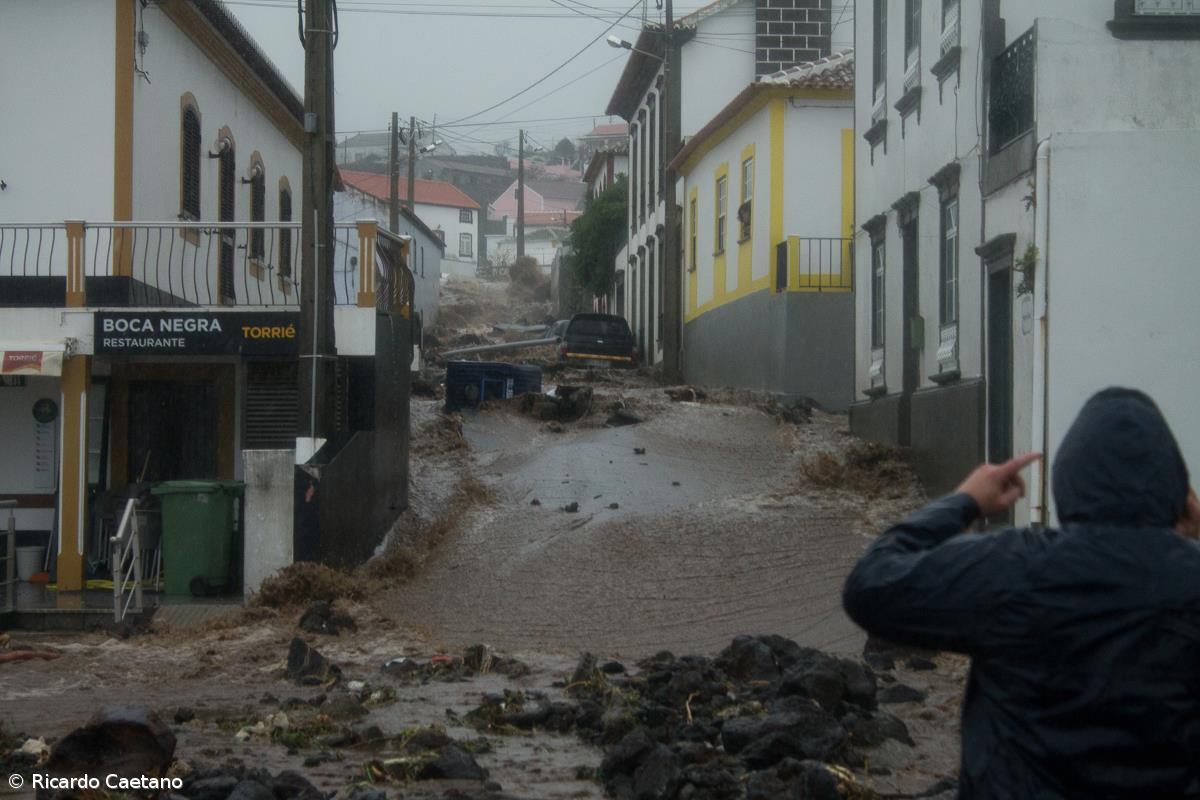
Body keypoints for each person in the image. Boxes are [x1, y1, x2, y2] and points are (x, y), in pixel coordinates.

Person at [842, 387, 1200, 798]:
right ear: (1175, 487)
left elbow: (871, 584)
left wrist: (965, 501)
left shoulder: (1015, 566)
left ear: (1068, 476)